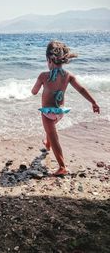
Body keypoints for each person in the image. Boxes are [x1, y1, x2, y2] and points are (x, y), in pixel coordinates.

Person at [31, 40, 100, 176]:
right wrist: (93, 102)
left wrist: (37, 88)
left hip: (47, 113)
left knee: (53, 134)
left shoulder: (43, 76)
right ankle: (47, 143)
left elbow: (34, 91)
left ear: (49, 59)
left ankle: (62, 166)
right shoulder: (68, 75)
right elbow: (81, 89)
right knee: (50, 130)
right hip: (60, 112)